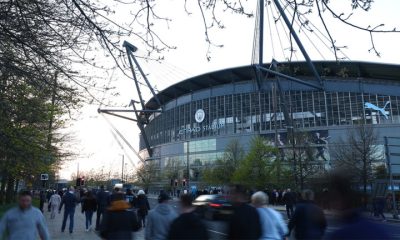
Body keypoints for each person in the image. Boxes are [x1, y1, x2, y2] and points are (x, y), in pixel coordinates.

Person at [327, 172, 390, 239]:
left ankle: (383, 218)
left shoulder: (342, 234)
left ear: (342, 200)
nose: (332, 205)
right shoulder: (378, 229)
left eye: (334, 199)